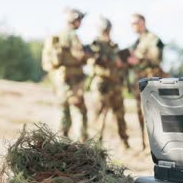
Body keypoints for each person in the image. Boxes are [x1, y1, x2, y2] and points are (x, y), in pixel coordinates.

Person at [127, 13, 168, 149]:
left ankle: (157, 145)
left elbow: (157, 58)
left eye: (135, 23)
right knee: (140, 113)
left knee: (154, 114)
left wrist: (140, 59)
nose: (132, 26)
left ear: (142, 22)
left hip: (151, 83)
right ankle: (145, 144)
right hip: (139, 83)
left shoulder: (152, 39)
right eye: (131, 23)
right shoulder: (137, 42)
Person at [89, 17, 130, 149]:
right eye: (104, 29)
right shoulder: (96, 44)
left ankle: (125, 143)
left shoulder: (114, 45)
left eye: (108, 29)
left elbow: (121, 64)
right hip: (103, 84)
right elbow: (95, 59)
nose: (107, 32)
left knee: (120, 115)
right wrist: (113, 60)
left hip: (116, 84)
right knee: (100, 116)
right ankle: (96, 146)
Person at [51, 8, 90, 141]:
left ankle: (61, 140)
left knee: (64, 110)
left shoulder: (59, 34)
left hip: (60, 77)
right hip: (73, 78)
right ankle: (82, 143)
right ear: (75, 20)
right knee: (80, 110)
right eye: (80, 20)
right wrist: (89, 55)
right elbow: (79, 55)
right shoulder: (72, 35)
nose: (81, 23)